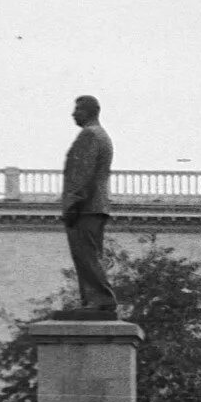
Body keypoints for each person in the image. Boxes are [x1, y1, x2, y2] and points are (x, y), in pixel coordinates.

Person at [61, 94, 116, 312]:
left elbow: (82, 173)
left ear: (90, 111)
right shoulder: (102, 135)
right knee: (89, 254)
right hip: (95, 205)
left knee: (86, 255)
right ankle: (92, 300)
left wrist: (72, 203)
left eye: (78, 109)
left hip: (86, 207)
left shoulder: (89, 135)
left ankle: (100, 299)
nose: (73, 114)